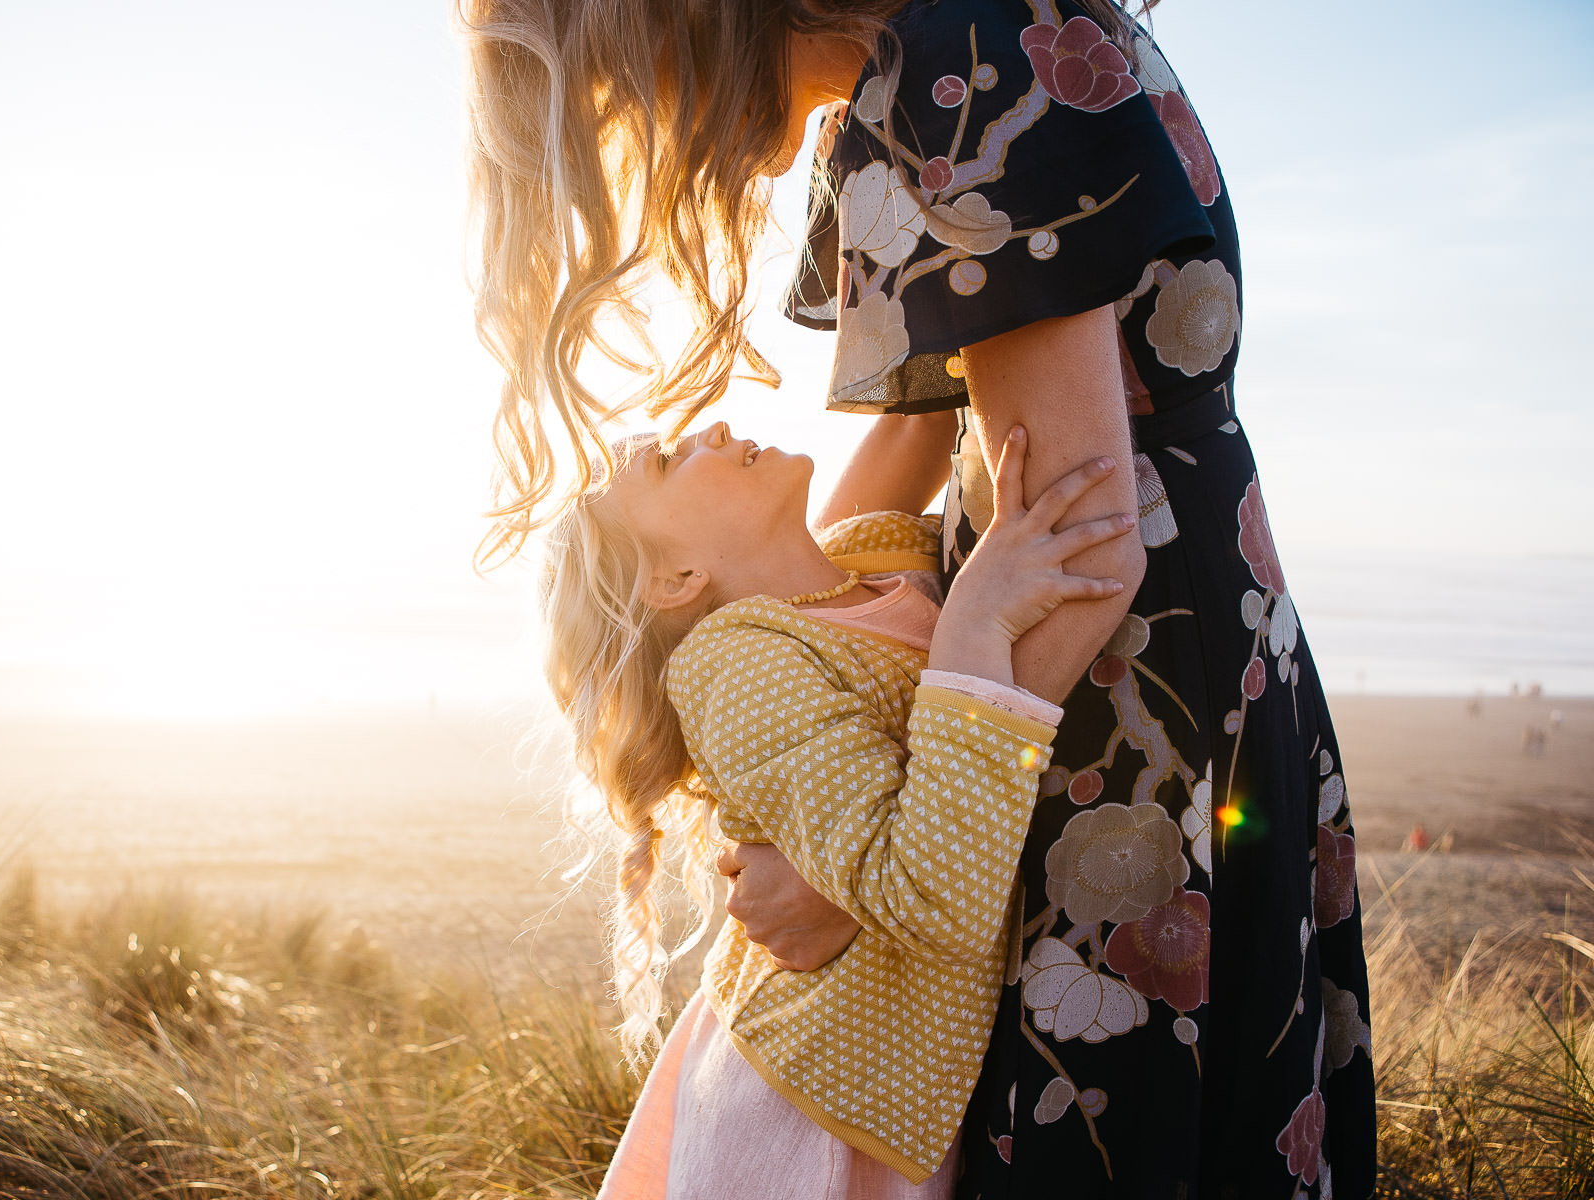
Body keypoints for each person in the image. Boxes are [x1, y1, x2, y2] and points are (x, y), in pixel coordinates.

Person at [462, 1, 1375, 1196]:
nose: (648, 138)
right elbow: (912, 439)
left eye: (619, 100)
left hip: (1107, 684)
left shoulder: (957, 66)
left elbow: (1088, 539)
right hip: (1099, 659)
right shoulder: (918, 77)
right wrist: (828, 801)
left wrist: (874, 878)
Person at [540, 417, 1132, 1196]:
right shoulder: (736, 662)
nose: (711, 429)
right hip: (809, 1119)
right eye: (667, 461)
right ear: (674, 578)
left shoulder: (872, 565)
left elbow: (914, 425)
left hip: (871, 1093)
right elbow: (932, 898)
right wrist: (976, 627)